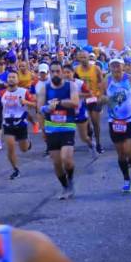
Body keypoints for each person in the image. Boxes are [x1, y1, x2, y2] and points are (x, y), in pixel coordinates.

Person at [103, 58, 131, 193]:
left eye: (118, 66)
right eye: (113, 66)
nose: (116, 69)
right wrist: (103, 100)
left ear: (123, 67)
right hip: (114, 121)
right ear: (110, 67)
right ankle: (126, 179)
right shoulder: (106, 80)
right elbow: (101, 97)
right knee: (121, 154)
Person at [38, 63, 80, 199]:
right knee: (56, 163)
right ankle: (65, 187)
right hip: (51, 129)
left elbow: (75, 103)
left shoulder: (70, 86)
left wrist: (59, 103)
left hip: (67, 126)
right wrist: (47, 110)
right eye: (53, 72)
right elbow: (40, 109)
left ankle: (71, 178)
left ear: (62, 72)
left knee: (66, 159)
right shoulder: (45, 88)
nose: (55, 74)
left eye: (58, 71)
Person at [0, 71, 32, 180]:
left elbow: (36, 104)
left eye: (14, 77)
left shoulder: (24, 92)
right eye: (9, 77)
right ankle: (15, 169)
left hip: (21, 123)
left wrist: (26, 102)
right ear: (7, 80)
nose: (11, 79)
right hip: (8, 123)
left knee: (24, 149)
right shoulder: (1, 92)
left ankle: (28, 142)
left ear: (18, 80)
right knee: (10, 147)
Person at [75, 50, 105, 155]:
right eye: (81, 58)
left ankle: (98, 143)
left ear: (89, 57)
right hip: (83, 99)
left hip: (95, 98)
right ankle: (90, 138)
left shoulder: (96, 68)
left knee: (95, 122)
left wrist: (100, 95)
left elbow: (101, 83)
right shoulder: (76, 70)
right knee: (86, 123)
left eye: (84, 57)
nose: (83, 59)